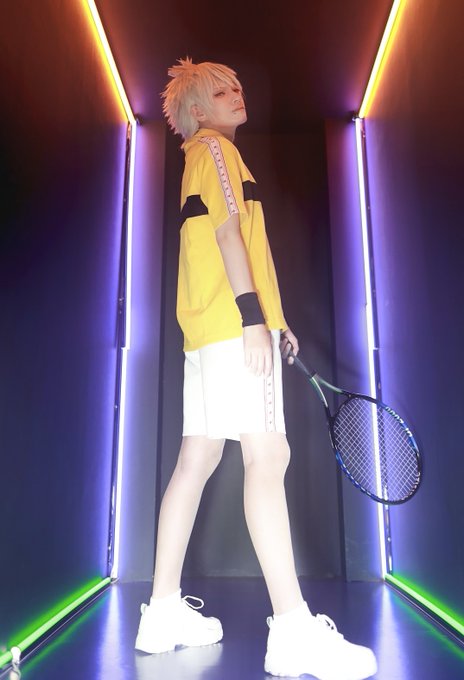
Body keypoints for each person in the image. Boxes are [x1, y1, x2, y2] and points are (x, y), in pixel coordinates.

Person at [135, 57, 377, 680]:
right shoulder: (216, 151)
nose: (237, 94)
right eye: (223, 90)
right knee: (268, 457)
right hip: (234, 326)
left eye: (239, 85)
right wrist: (253, 320)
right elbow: (229, 235)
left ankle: (160, 613)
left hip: (206, 332)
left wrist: (276, 319)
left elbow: (235, 244)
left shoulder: (198, 157)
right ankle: (293, 630)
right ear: (196, 110)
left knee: (196, 461)